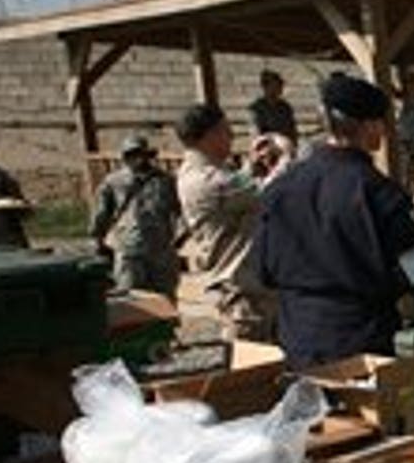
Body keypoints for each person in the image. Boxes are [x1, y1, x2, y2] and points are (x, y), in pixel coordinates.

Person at [256, 73, 414, 463]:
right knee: (364, 442)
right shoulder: (378, 192)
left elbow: (263, 269)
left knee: (303, 439)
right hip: (360, 331)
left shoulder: (281, 187)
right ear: (370, 127)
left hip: (298, 332)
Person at [175, 104, 276, 342]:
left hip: (251, 286)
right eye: (225, 130)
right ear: (209, 136)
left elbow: (238, 186)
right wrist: (287, 154)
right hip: (244, 291)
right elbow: (273, 192)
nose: (231, 136)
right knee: (252, 358)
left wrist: (252, 166)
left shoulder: (205, 172)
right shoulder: (207, 179)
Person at [89, 133, 182, 296]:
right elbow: (101, 213)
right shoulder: (113, 182)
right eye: (131, 154)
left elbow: (181, 210)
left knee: (165, 298)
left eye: (140, 153)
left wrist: (178, 238)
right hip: (129, 250)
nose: (137, 158)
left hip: (161, 251)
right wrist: (97, 239)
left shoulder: (165, 180)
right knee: (131, 297)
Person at [247, 69, 298, 149]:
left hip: (285, 146)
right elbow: (256, 134)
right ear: (266, 87)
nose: (279, 88)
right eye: (275, 85)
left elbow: (292, 132)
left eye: (279, 85)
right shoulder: (257, 108)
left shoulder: (285, 108)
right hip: (265, 147)